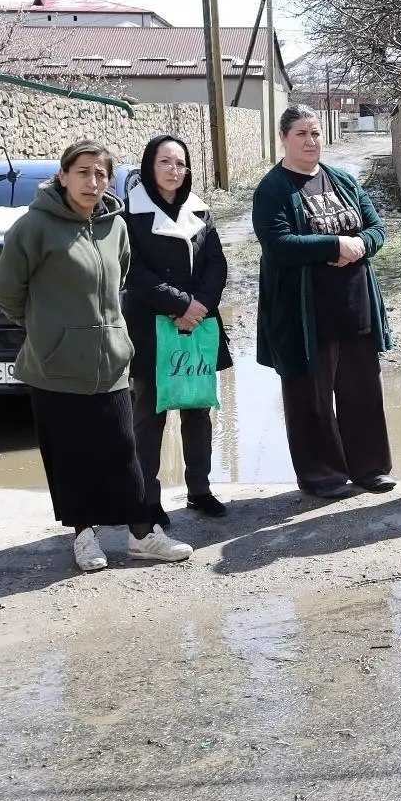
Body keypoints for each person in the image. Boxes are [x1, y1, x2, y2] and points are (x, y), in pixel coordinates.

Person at [0, 140, 192, 572]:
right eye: (83, 172)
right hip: (55, 366)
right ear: (63, 176)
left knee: (124, 450)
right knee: (70, 455)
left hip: (112, 361)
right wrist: (48, 331)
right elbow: (5, 290)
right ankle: (84, 535)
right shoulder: (34, 228)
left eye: (101, 174)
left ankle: (142, 535)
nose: (92, 181)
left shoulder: (114, 227)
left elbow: (116, 285)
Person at [252, 105, 396, 497]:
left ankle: (370, 469)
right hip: (304, 316)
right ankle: (323, 476)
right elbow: (277, 244)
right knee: (309, 399)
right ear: (283, 138)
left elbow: (377, 229)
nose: (311, 141)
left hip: (355, 309)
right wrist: (333, 244)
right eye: (301, 133)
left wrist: (359, 244)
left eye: (315, 133)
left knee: (362, 393)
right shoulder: (273, 189)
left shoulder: (344, 181)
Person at [123, 133, 232, 521]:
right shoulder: (129, 215)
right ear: (149, 167)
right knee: (150, 413)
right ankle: (147, 499)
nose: (174, 170)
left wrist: (200, 306)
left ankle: (199, 489)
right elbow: (132, 271)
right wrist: (180, 304)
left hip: (197, 325)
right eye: (165, 162)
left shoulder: (201, 211)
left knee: (198, 408)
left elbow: (216, 262)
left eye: (180, 163)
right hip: (153, 325)